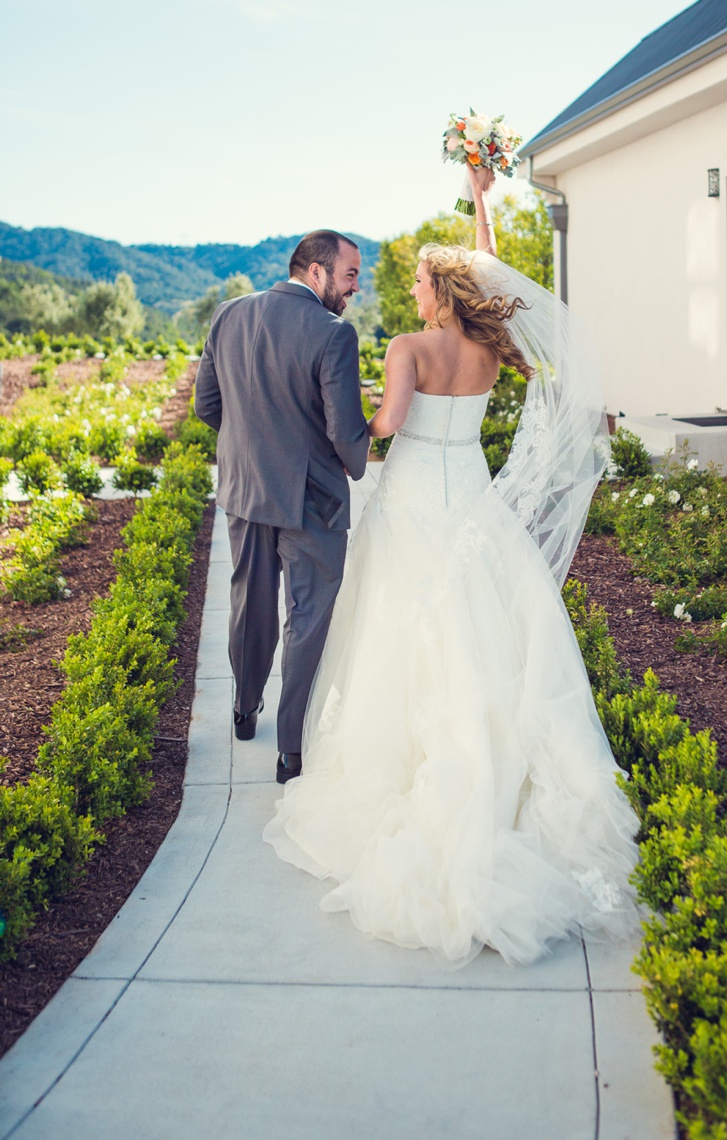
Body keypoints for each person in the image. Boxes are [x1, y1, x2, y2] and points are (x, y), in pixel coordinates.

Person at [263, 173, 641, 967]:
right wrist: (481, 199)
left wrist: (344, 410)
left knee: (400, 638)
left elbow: (389, 425)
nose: (410, 285)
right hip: (472, 500)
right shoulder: (492, 347)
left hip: (410, 502)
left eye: (419, 278)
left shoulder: (409, 348)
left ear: (442, 292)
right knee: (483, 631)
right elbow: (489, 267)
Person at [195, 230, 369, 784]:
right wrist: (361, 457)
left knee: (249, 600)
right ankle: (291, 749)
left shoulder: (228, 314)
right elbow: (344, 432)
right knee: (309, 616)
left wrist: (253, 447)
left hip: (244, 490)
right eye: (349, 276)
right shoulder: (334, 334)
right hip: (311, 500)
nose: (355, 288)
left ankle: (245, 711)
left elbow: (207, 404)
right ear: (316, 273)